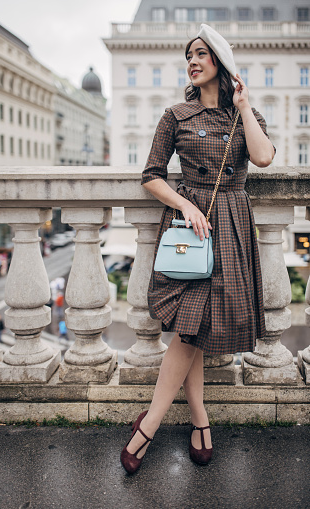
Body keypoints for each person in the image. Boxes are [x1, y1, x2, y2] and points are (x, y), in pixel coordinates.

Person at [120, 24, 275, 474]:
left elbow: (263, 158)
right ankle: (165, 423)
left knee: (196, 329)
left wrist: (243, 107)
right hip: (192, 231)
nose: (193, 59)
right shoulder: (175, 115)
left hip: (231, 226)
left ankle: (186, 420)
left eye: (202, 53)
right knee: (191, 327)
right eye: (189, 54)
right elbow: (151, 175)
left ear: (221, 65)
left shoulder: (241, 116)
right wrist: (185, 203)